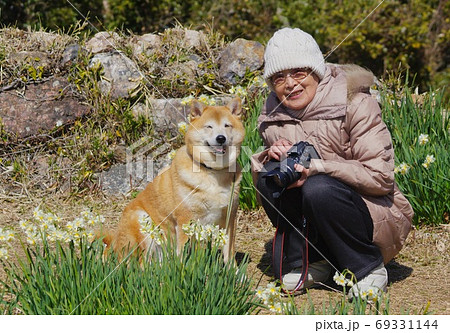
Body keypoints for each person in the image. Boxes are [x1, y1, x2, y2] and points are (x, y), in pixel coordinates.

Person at [251, 27, 414, 297]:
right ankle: (316, 259)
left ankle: (367, 267)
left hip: (374, 213)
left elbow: (380, 178)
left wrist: (320, 167)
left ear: (317, 71)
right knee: (272, 177)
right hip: (322, 210)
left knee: (318, 188)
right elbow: (279, 186)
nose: (290, 84)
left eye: (298, 73)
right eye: (279, 78)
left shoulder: (355, 103)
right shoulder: (274, 115)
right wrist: (273, 157)